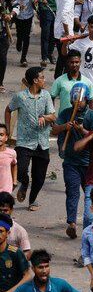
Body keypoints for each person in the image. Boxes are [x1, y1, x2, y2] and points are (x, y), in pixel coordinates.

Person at [52, 84, 93, 238]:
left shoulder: (92, 115)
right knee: (72, 192)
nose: (77, 104)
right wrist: (65, 127)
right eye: (74, 101)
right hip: (71, 162)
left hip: (89, 163)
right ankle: (71, 223)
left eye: (80, 101)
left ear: (86, 100)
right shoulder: (66, 113)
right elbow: (54, 130)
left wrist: (81, 130)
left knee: (90, 195)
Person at [5, 67, 56, 211]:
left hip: (42, 143)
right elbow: (8, 110)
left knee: (39, 177)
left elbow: (53, 116)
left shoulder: (46, 96)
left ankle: (32, 200)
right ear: (35, 80)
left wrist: (44, 117)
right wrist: (8, 130)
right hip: (24, 142)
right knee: (20, 170)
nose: (44, 80)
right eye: (42, 77)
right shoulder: (20, 97)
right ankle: (25, 183)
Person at [9, 249, 93, 292]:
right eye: (40, 267)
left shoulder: (60, 284)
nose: (44, 271)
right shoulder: (23, 289)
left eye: (46, 266)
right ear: (33, 268)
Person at [51, 50, 93, 114]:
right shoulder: (59, 80)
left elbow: (91, 101)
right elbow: (51, 98)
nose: (74, 65)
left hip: (81, 120)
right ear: (68, 63)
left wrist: (92, 118)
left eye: (77, 62)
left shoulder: (87, 82)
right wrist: (52, 114)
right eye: (72, 62)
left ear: (80, 62)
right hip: (64, 119)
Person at [0, 213, 32, 292]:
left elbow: (28, 275)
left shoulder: (15, 253)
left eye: (1, 231)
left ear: (7, 233)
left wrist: (11, 291)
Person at [53, 0, 77, 78]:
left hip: (57, 29)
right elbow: (65, 13)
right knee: (66, 59)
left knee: (62, 58)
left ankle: (58, 79)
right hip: (64, 31)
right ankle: (61, 81)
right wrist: (68, 33)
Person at [12, 0, 35, 68]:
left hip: (29, 12)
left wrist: (36, 0)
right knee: (20, 33)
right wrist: (17, 3)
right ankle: (18, 41)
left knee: (27, 35)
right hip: (18, 12)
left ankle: (23, 58)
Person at [0, 193, 30, 259]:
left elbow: (26, 252)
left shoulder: (20, 231)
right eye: (0, 210)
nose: (2, 213)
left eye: (5, 210)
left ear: (11, 210)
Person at [0, 125, 16, 195]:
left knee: (6, 205)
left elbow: (14, 165)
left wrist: (14, 181)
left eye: (1, 135)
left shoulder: (11, 153)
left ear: (6, 137)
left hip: (6, 189)